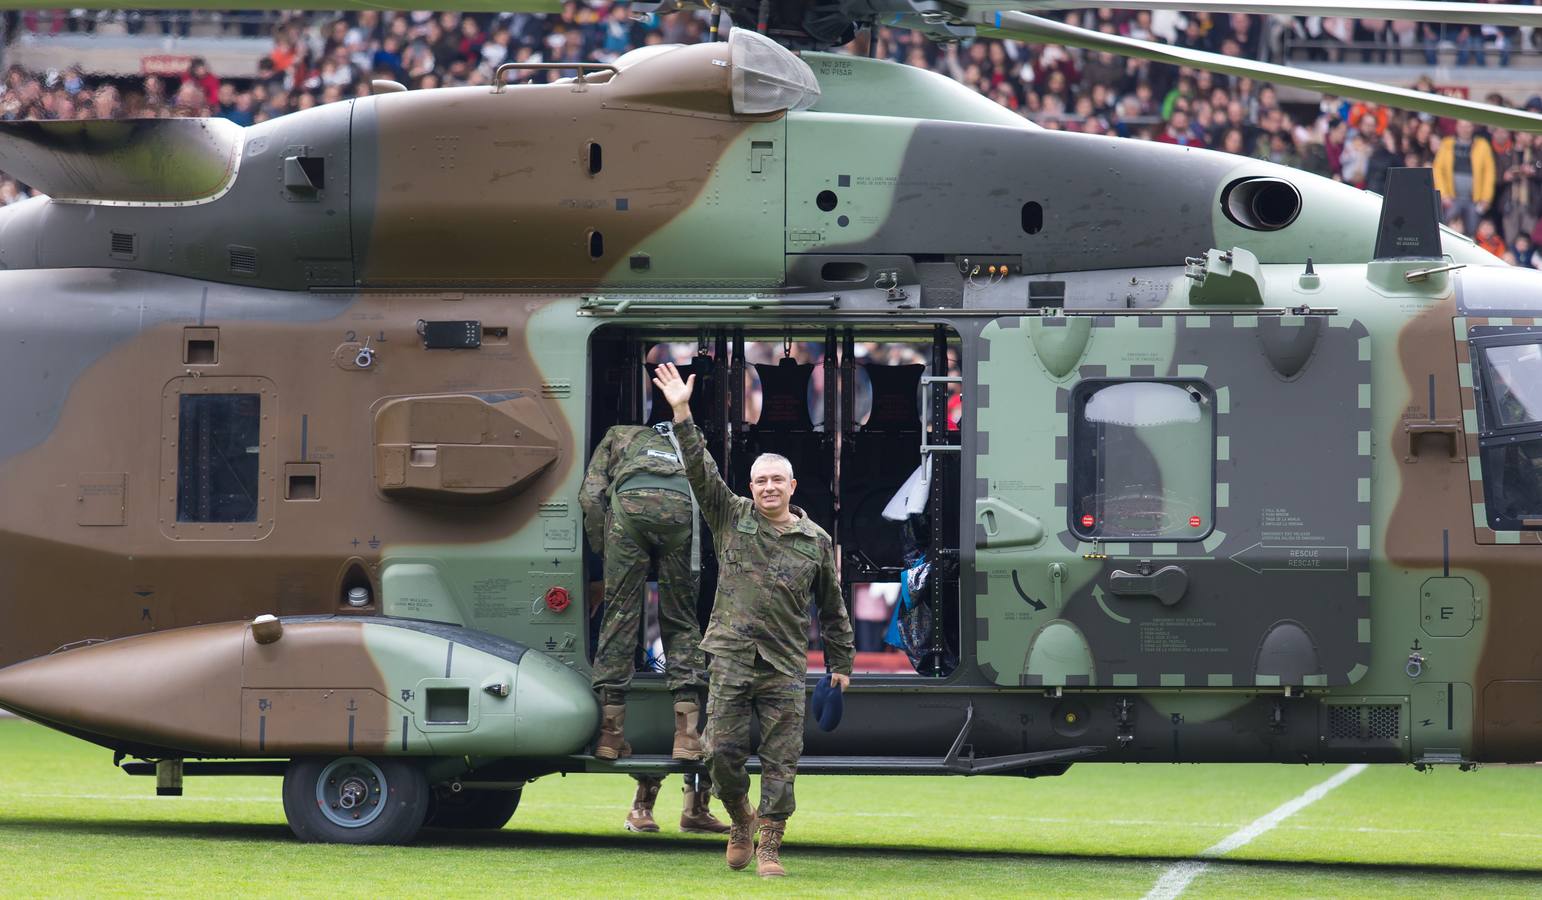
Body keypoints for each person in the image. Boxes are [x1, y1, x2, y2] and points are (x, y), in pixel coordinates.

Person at [653, 362, 854, 879]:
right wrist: (681, 410)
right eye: (760, 480)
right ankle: (740, 818)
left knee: (783, 761)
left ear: (793, 486)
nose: (768, 488)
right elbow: (699, 468)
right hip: (731, 658)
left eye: (776, 481)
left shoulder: (816, 543)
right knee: (719, 750)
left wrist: (841, 663)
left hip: (785, 666)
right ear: (751, 485)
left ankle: (769, 844)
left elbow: (833, 608)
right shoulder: (730, 516)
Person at [579, 423, 727, 835]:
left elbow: (590, 496)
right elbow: (714, 496)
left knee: (619, 618)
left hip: (626, 509)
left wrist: (603, 551)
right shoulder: (691, 437)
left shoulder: (617, 435)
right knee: (681, 621)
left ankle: (610, 735)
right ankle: (687, 736)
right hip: (682, 510)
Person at [1434, 119, 1496, 237]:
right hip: (1451, 199)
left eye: (1468, 126)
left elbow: (1489, 173)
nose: (1465, 129)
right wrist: (1443, 195)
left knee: (1472, 232)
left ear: (1473, 128)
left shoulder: (1482, 145)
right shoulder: (1447, 143)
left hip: (1474, 200)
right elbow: (1438, 170)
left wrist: (1486, 198)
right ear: (1457, 127)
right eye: (1462, 126)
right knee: (1447, 231)